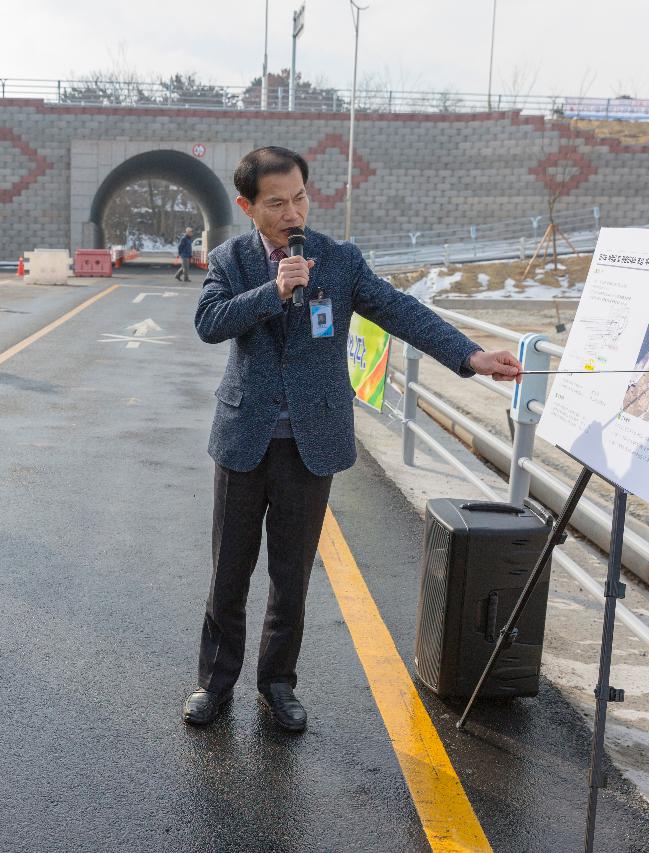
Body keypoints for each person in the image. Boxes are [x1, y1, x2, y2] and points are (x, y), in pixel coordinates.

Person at [183, 146, 522, 733]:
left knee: (292, 575)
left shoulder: (338, 261)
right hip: (244, 439)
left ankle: (278, 684)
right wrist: (274, 292)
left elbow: (398, 311)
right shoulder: (231, 259)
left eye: (300, 198)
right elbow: (210, 324)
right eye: (276, 203)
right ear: (247, 206)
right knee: (228, 573)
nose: (293, 212)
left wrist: (469, 356)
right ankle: (214, 684)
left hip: (312, 442)